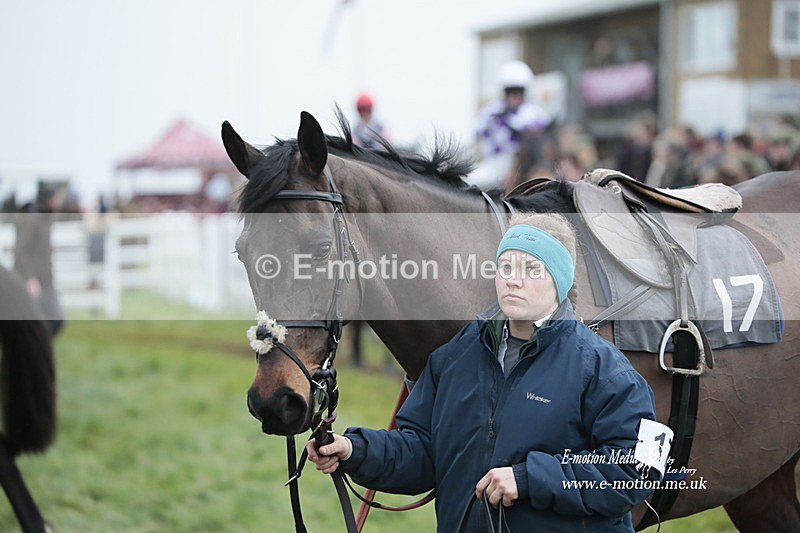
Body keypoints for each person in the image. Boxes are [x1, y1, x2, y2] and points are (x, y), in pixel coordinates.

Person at [307, 213, 664, 532]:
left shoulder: (608, 370)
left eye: (531, 269)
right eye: (506, 267)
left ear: (560, 278)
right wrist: (355, 450)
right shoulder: (455, 357)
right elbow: (424, 451)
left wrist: (529, 479)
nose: (513, 280)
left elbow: (641, 470)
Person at [473, 60, 551, 188]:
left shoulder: (533, 112)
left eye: (518, 91)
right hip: (494, 162)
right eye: (510, 92)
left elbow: (537, 131)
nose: (514, 96)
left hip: (521, 164)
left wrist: (509, 120)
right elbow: (476, 131)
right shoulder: (491, 110)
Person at [13, 182, 65, 335]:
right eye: (55, 197)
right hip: (32, 281)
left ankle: (39, 350)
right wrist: (30, 278)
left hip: (45, 279)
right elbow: (20, 251)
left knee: (55, 321)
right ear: (47, 198)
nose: (57, 201)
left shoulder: (45, 216)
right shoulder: (31, 219)